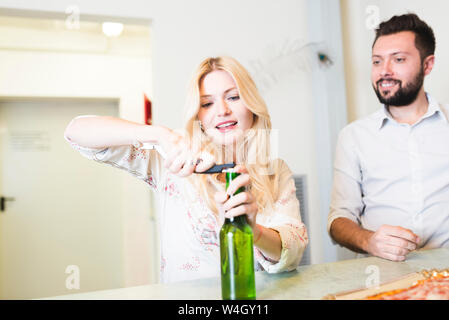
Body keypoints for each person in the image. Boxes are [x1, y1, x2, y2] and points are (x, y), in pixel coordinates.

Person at [64, 56, 308, 283]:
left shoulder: (275, 171)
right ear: (198, 114)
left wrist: (254, 231)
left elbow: (293, 251)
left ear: (252, 105)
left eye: (233, 97)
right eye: (207, 103)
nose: (222, 110)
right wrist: (157, 134)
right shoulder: (174, 156)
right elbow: (76, 132)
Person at [328, 13, 449, 262]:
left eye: (399, 59)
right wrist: (368, 241)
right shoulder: (353, 137)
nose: (385, 71)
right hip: (381, 279)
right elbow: (338, 221)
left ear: (427, 65)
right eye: (376, 61)